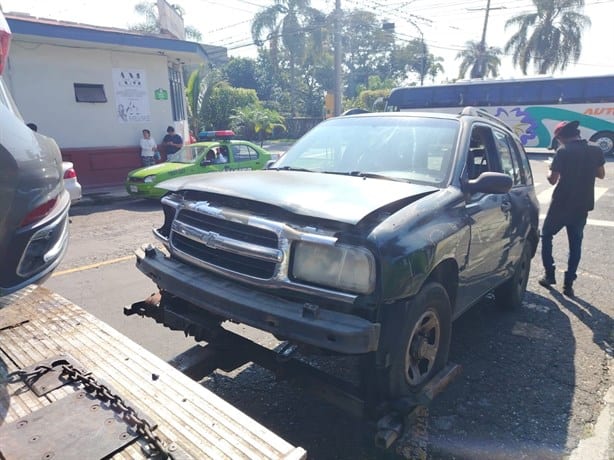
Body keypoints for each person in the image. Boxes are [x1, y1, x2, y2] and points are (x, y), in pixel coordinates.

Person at [538, 120, 605, 297]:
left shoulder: (563, 151)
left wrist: (548, 168)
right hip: (582, 204)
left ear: (561, 137)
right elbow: (601, 174)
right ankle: (568, 284)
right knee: (575, 244)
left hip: (561, 203)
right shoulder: (595, 149)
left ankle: (549, 275)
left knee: (546, 236)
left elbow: (552, 180)